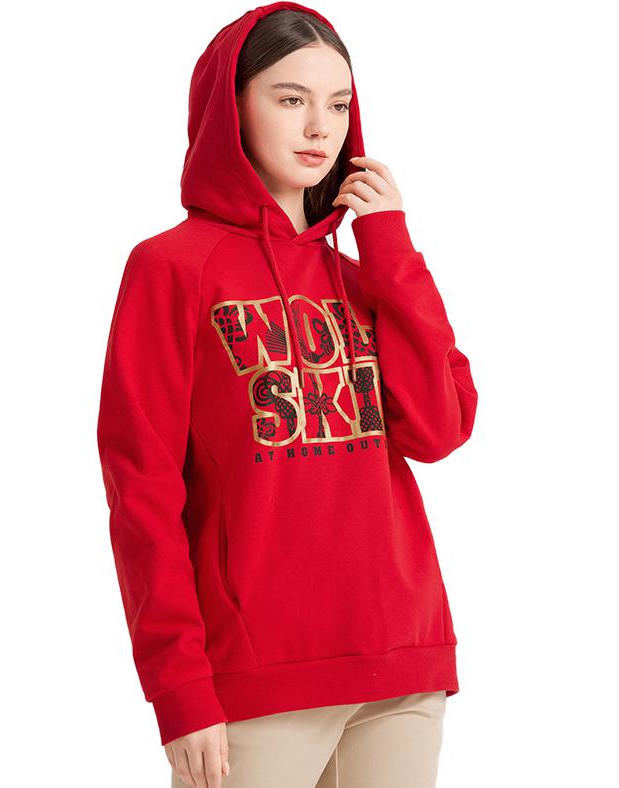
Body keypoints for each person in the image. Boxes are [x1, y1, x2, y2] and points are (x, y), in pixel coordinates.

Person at [96, 2, 478, 786]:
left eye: (338, 105)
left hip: (403, 666)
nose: (319, 128)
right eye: (290, 98)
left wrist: (390, 245)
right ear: (229, 106)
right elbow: (143, 490)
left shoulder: (364, 274)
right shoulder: (171, 269)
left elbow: (440, 429)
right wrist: (178, 687)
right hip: (256, 679)